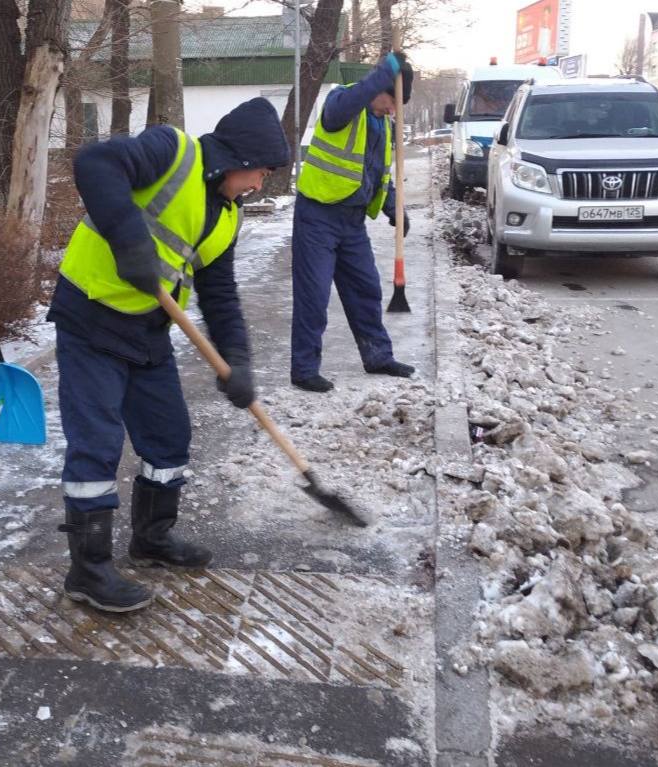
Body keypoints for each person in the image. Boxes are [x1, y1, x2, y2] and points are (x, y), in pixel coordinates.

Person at [48, 98, 290, 613]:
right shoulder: (172, 151)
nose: (258, 185)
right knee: (97, 443)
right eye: (260, 172)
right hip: (91, 317)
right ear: (237, 157)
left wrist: (238, 361)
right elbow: (94, 163)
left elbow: (220, 295)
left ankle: (151, 538)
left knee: (168, 437)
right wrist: (129, 239)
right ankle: (87, 570)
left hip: (148, 332)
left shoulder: (226, 217)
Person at [289, 51, 416, 393]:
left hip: (352, 223)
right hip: (317, 216)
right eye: (392, 101)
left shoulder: (383, 127)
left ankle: (378, 356)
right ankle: (304, 369)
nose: (393, 111)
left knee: (366, 289)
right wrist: (382, 73)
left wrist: (394, 208)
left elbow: (378, 176)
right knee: (313, 295)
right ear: (378, 88)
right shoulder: (342, 104)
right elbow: (344, 106)